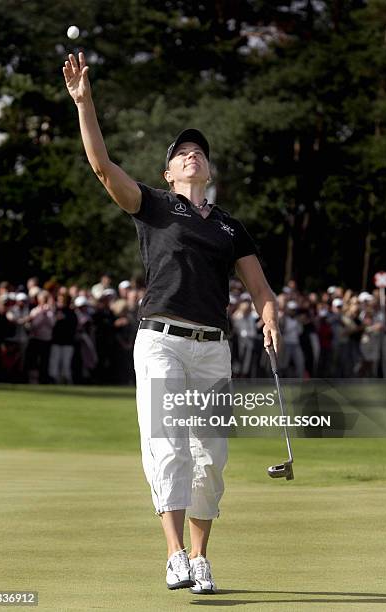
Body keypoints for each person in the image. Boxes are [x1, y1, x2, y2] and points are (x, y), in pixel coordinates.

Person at [63, 51, 280, 594]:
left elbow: (260, 290)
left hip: (212, 347)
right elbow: (102, 167)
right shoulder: (155, 206)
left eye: (198, 153)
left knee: (211, 457)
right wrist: (85, 104)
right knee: (168, 447)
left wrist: (270, 315)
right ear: (168, 171)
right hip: (160, 340)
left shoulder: (231, 228)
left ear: (209, 169)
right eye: (182, 154)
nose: (191, 157)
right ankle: (175, 554)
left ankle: (202, 558)